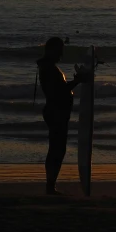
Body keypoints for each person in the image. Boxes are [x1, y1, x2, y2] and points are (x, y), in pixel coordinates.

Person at [36, 37, 84, 195]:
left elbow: (59, 90)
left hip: (56, 111)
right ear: (52, 50)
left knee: (56, 149)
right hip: (55, 112)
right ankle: (50, 186)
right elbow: (59, 91)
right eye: (59, 50)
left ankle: (50, 185)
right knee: (57, 149)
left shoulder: (48, 67)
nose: (61, 54)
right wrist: (77, 81)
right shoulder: (49, 69)